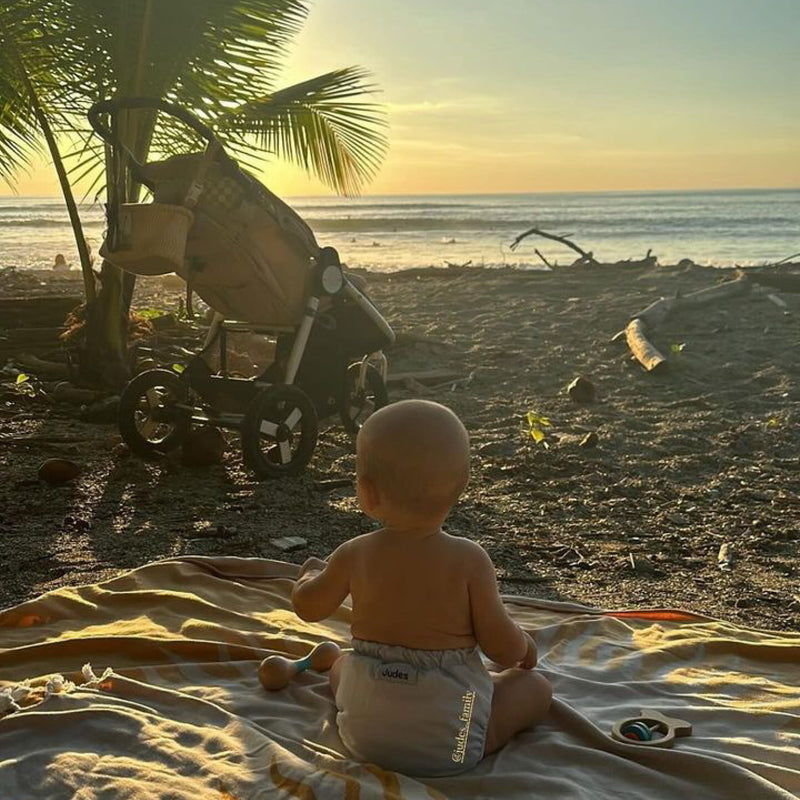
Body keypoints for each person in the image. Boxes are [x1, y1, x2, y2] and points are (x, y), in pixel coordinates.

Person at [292, 400, 552, 777]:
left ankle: (370, 709)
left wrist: (305, 579)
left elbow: (308, 607)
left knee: (344, 665)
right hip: (453, 740)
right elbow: (502, 648)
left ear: (366, 493)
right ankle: (481, 733)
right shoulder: (469, 560)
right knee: (534, 688)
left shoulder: (354, 554)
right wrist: (525, 646)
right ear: (461, 486)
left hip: (362, 734)